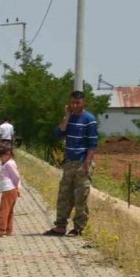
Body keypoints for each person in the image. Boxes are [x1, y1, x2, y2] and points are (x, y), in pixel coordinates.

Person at [45, 90, 98, 237]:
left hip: (82, 163)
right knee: (64, 195)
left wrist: (87, 162)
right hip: (69, 163)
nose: (75, 105)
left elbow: (93, 144)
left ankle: (78, 228)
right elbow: (59, 133)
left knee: (80, 197)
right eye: (72, 102)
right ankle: (60, 227)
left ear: (83, 102)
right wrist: (67, 115)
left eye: (77, 103)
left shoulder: (89, 119)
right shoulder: (69, 118)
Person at [0, 144, 22, 237]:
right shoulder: (10, 162)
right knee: (9, 211)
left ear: (7, 154)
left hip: (9, 189)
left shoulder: (9, 164)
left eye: (1, 156)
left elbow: (16, 177)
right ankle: (9, 229)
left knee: (3, 210)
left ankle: (2, 230)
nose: (0, 159)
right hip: (11, 189)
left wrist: (18, 187)